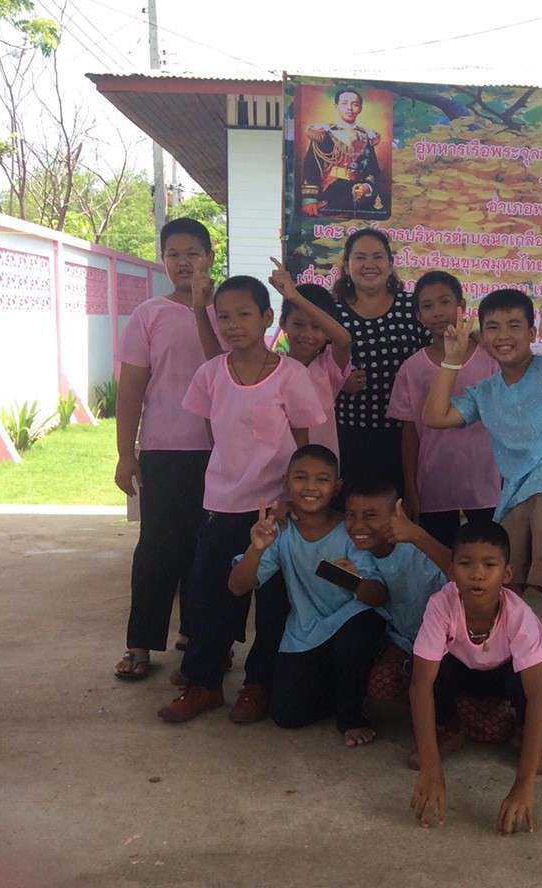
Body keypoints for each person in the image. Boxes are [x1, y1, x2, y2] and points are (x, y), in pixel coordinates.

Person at [423, 289, 542, 767]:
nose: (503, 335)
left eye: (514, 326)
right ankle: (521, 708)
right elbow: (436, 416)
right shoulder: (486, 391)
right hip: (515, 495)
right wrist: (452, 361)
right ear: (481, 336)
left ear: (531, 332)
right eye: (492, 327)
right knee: (500, 596)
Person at [157, 277, 325, 724]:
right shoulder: (211, 374)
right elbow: (213, 433)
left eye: (244, 314)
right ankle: (204, 683)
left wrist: (294, 501)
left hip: (274, 510)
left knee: (273, 605)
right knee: (210, 600)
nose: (233, 325)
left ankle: (258, 686)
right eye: (225, 316)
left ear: (267, 318)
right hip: (221, 505)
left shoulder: (291, 375)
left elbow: (303, 443)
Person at [112, 217, 222, 681]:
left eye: (193, 253)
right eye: (174, 254)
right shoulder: (148, 315)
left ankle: (198, 636)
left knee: (207, 552)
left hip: (223, 453)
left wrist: (204, 309)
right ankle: (140, 643)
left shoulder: (229, 311)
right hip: (163, 450)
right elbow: (131, 389)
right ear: (163, 260)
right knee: (158, 549)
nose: (183, 262)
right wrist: (126, 452)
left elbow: (234, 371)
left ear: (209, 257)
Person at [227, 445, 390, 747]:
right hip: (306, 631)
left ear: (336, 487)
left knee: (357, 636)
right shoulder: (280, 531)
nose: (311, 487)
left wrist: (350, 580)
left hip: (352, 623)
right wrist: (256, 549)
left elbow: (378, 596)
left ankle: (351, 715)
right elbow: (238, 586)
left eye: (322, 479)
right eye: (301, 477)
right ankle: (341, 688)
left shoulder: (349, 529)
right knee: (286, 715)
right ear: (286, 483)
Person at [409, 520, 542, 835]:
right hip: (464, 674)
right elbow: (420, 686)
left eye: (490, 565)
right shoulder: (441, 605)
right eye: (465, 564)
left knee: (532, 679)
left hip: (504, 680)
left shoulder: (520, 616)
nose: (477, 574)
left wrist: (523, 785)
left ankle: (527, 732)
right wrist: (432, 770)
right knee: (424, 668)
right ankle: (449, 725)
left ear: (507, 574)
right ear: (451, 570)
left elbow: (539, 698)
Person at [387, 271, 500, 546]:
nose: (437, 312)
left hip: (487, 483)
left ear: (461, 306)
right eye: (428, 306)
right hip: (435, 483)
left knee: (488, 556)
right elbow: (409, 434)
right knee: (438, 556)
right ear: (418, 316)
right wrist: (411, 487)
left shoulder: (490, 357)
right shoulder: (412, 368)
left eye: (445, 302)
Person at [332, 228, 431, 492]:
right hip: (347, 434)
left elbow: (438, 351)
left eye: (377, 256)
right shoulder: (332, 311)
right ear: (347, 265)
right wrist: (338, 381)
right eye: (360, 257)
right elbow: (311, 365)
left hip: (408, 434)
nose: (369, 264)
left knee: (402, 507)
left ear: (390, 263)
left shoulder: (412, 307)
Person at [341, 480, 451, 704]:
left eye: (370, 516)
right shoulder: (358, 553)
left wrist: (418, 535)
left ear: (397, 515)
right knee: (381, 687)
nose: (358, 525)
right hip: (404, 642)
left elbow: (460, 572)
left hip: (447, 642)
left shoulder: (417, 548)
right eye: (351, 515)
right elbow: (376, 595)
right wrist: (349, 580)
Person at [269, 260, 353, 458]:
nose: (307, 334)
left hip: (321, 466)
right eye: (298, 324)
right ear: (283, 323)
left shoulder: (328, 367)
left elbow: (344, 340)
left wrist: (295, 297)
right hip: (279, 464)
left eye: (317, 327)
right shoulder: (271, 367)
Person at [301, 87, 387, 219]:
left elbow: (372, 170)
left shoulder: (366, 136)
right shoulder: (323, 134)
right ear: (336, 106)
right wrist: (310, 199)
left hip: (358, 197)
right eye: (344, 103)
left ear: (360, 108)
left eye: (355, 104)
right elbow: (311, 167)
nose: (349, 108)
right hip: (328, 194)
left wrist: (366, 187)